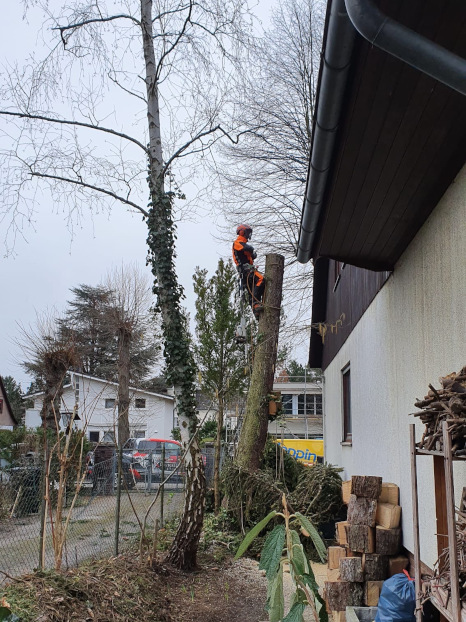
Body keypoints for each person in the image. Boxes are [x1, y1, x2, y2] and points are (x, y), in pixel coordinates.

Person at [232, 224, 265, 318]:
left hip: (247, 269)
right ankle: (255, 304)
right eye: (248, 232)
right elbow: (246, 248)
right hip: (245, 270)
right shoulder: (237, 242)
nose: (249, 235)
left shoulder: (243, 243)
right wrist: (251, 251)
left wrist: (252, 255)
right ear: (242, 232)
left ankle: (256, 310)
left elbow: (249, 255)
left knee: (252, 289)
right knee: (261, 279)